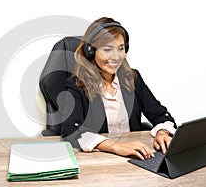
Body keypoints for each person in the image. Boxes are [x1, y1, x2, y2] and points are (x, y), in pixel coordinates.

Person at [61, 17, 177, 160]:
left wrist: (163, 132)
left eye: (121, 48)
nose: (116, 56)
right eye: (108, 49)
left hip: (138, 156)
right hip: (101, 160)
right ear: (91, 51)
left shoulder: (132, 78)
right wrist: (115, 146)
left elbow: (161, 114)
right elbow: (71, 129)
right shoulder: (76, 84)